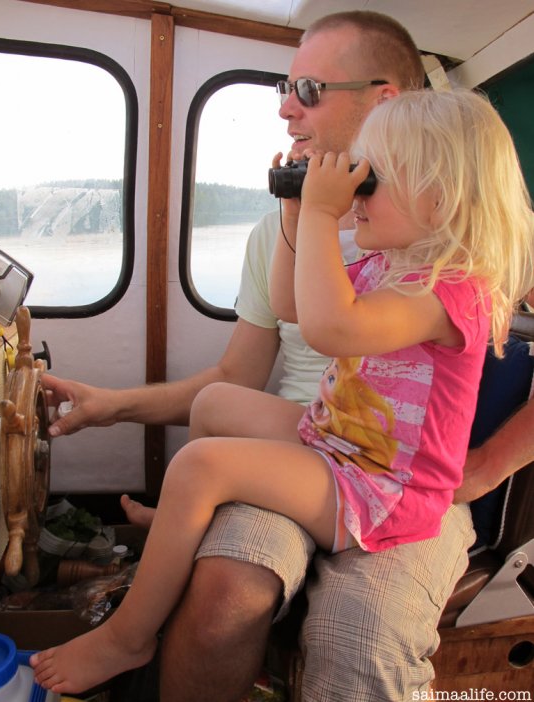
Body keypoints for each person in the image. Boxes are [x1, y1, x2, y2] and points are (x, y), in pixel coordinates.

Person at [37, 12, 534, 701]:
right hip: (334, 442)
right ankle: (192, 520)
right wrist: (300, 214)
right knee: (216, 406)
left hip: (381, 489)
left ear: (440, 194)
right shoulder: (388, 258)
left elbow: (333, 331)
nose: (285, 108)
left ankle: (129, 636)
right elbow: (298, 308)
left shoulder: (450, 289)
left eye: (371, 179)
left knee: (201, 464)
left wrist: (328, 216)